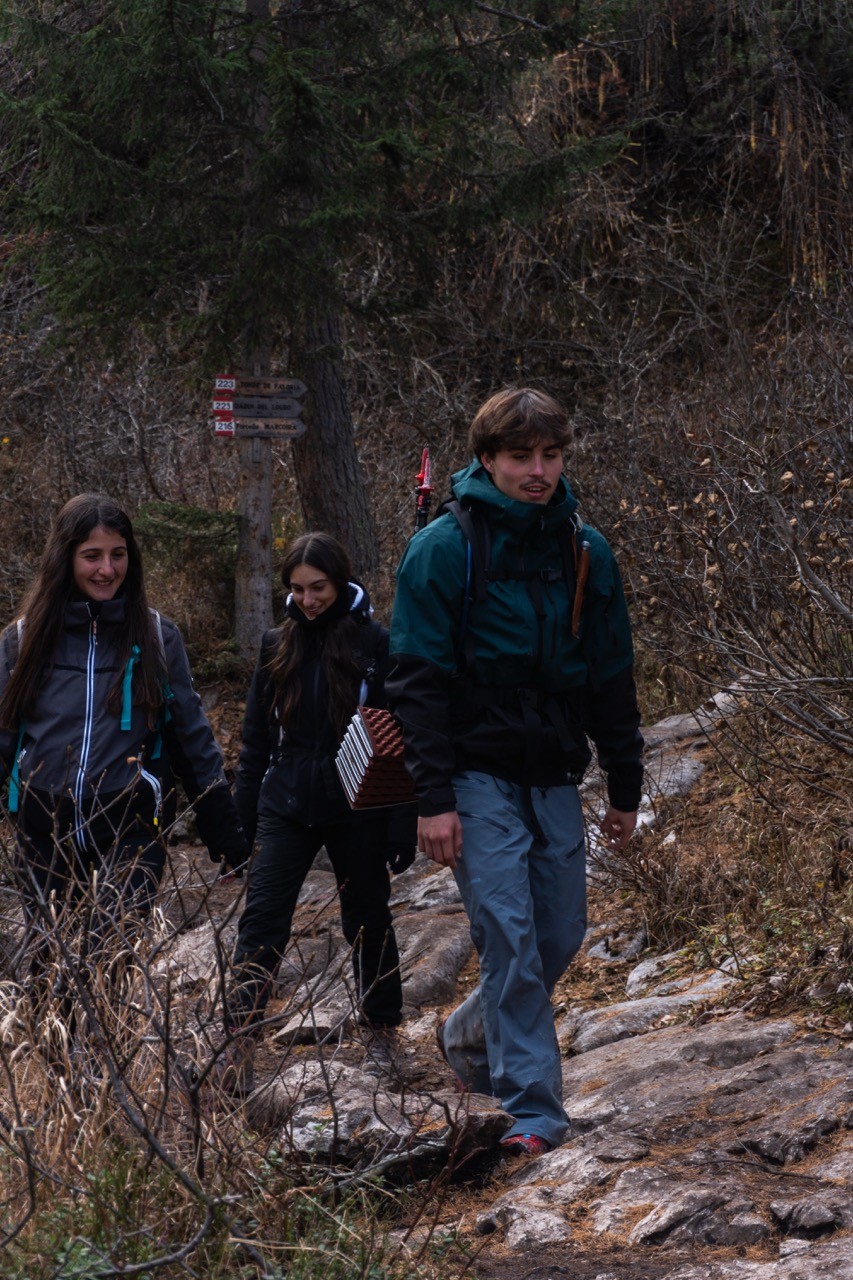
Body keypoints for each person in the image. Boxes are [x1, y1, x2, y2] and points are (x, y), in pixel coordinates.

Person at [386, 387, 644, 1156]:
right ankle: (533, 1111)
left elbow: (611, 676)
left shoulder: (585, 550)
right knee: (507, 930)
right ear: (487, 459)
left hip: (551, 771)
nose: (537, 471)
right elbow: (415, 686)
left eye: (550, 455)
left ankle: (467, 1036)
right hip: (470, 770)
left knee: (560, 931)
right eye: (519, 456)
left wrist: (625, 786)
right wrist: (432, 802)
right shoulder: (443, 548)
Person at [0, 494, 247, 1040]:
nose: (106, 569)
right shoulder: (22, 639)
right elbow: (3, 733)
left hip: (130, 828)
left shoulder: (157, 635)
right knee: (49, 964)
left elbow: (192, 736)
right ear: (65, 558)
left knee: (110, 956)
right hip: (46, 828)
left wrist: (224, 830)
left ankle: (108, 1084)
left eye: (117, 554)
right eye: (91, 555)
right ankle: (63, 1089)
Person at [217, 532, 415, 1095]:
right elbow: (255, 745)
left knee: (368, 918)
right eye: (298, 589)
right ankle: (237, 1040)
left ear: (341, 582)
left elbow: (398, 738)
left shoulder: (378, 644)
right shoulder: (275, 645)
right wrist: (239, 825)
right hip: (286, 803)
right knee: (262, 920)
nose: (308, 600)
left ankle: (382, 1033)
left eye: (319, 588)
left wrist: (401, 820)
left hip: (358, 803)